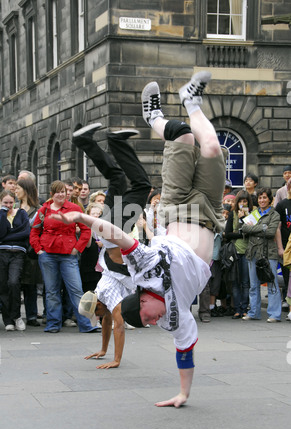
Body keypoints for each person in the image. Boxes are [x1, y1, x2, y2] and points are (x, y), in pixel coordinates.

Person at [53, 70, 226, 407]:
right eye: (150, 322)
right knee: (211, 145)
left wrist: (84, 217)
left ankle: (154, 117)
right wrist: (183, 393)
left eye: (147, 316)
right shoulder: (176, 318)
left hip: (177, 209)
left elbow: (119, 236)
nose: (154, 321)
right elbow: (185, 352)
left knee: (184, 139)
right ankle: (191, 100)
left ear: (143, 299)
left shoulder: (146, 270)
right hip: (209, 212)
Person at [72, 125, 152, 368]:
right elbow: (107, 322)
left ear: (98, 305)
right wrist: (103, 350)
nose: (100, 318)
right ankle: (88, 141)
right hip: (108, 227)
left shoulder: (106, 294)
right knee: (117, 178)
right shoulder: (102, 295)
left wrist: (116, 359)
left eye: (97, 314)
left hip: (113, 229)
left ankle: (115, 142)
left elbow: (118, 323)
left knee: (141, 186)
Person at [29, 180, 96, 333]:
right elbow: (34, 232)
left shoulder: (74, 208)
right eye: (57, 191)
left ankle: (86, 324)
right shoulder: (44, 210)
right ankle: (53, 324)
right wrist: (39, 249)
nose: (60, 194)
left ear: (67, 194)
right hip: (48, 255)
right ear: (51, 194)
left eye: (63, 192)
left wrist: (77, 249)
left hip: (68, 255)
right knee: (52, 291)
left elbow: (86, 230)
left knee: (76, 290)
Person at [242, 187, 281, 322]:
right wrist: (262, 228)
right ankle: (253, 312)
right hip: (252, 252)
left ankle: (274, 314)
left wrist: (254, 229)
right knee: (254, 285)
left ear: (270, 200)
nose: (262, 200)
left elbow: (270, 233)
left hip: (268, 253)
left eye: (264, 197)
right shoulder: (254, 213)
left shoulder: (274, 215)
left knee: (272, 283)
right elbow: (244, 229)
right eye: (260, 198)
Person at [0, 190, 30, 331]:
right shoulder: (0, 215)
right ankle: (8, 320)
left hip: (18, 253)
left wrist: (7, 237)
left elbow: (25, 232)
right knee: (3, 286)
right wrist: (2, 214)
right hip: (2, 253)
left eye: (11, 202)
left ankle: (17, 316)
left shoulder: (22, 213)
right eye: (5, 202)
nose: (8, 205)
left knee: (13, 282)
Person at [15, 178, 42, 326]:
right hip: (15, 249)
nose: (16, 190)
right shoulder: (13, 206)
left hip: (30, 250)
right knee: (14, 283)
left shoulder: (38, 208)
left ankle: (31, 315)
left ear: (26, 189)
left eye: (18, 188)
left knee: (30, 283)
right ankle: (16, 314)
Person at [224, 190, 253, 319]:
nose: (242, 204)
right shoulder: (232, 214)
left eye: (245, 201)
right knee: (235, 281)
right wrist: (241, 234)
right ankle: (237, 309)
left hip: (248, 252)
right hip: (235, 251)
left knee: (246, 282)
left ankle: (244, 307)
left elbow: (252, 232)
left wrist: (244, 219)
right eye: (240, 201)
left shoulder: (252, 215)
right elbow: (228, 233)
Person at [275, 177, 291, 318]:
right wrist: (280, 248)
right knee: (287, 277)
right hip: (287, 247)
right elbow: (277, 228)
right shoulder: (282, 205)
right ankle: (287, 301)